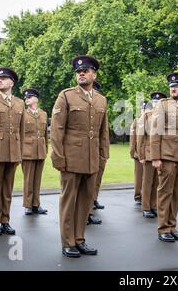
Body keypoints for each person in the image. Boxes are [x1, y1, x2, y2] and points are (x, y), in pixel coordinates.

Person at [51, 55, 109, 257]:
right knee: (69, 202)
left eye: (85, 71)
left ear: (94, 74)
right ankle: (68, 242)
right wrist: (58, 158)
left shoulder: (101, 99)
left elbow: (103, 132)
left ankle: (79, 239)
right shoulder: (66, 96)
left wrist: (103, 156)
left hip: (92, 159)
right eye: (78, 72)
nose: (81, 74)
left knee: (85, 202)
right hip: (71, 158)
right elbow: (57, 130)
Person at [150, 72, 178, 243]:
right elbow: (155, 131)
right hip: (167, 156)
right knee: (165, 193)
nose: (173, 89)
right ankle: (163, 229)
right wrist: (155, 157)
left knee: (177, 194)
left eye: (177, 86)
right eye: (171, 87)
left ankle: (172, 226)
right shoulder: (163, 104)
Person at [0, 67, 24, 236]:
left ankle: (5, 220)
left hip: (13, 151)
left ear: (12, 82)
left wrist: (20, 152)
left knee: (7, 189)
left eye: (3, 78)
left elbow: (21, 130)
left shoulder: (19, 103)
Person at [137, 92, 167, 218]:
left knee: (157, 182)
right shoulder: (146, 116)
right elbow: (140, 137)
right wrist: (141, 155)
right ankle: (145, 207)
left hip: (161, 154)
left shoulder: (165, 116)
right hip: (149, 155)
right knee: (147, 182)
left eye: (158, 102)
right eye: (154, 102)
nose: (156, 104)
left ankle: (154, 205)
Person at [21, 88, 48, 215]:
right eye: (26, 98)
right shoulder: (23, 114)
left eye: (29, 97)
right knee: (28, 180)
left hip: (40, 150)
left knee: (37, 179)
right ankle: (28, 205)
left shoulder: (43, 114)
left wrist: (45, 150)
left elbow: (44, 134)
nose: (27, 99)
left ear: (36, 99)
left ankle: (36, 204)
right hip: (27, 150)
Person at [87, 80, 106, 225]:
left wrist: (104, 152)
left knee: (96, 180)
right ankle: (87, 211)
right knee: (86, 184)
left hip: (98, 150)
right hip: (84, 151)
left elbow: (104, 132)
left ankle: (93, 201)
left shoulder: (101, 103)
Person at [130, 107, 143, 205]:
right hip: (138, 153)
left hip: (151, 154)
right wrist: (133, 152)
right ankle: (138, 196)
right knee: (139, 176)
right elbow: (133, 138)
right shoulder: (137, 121)